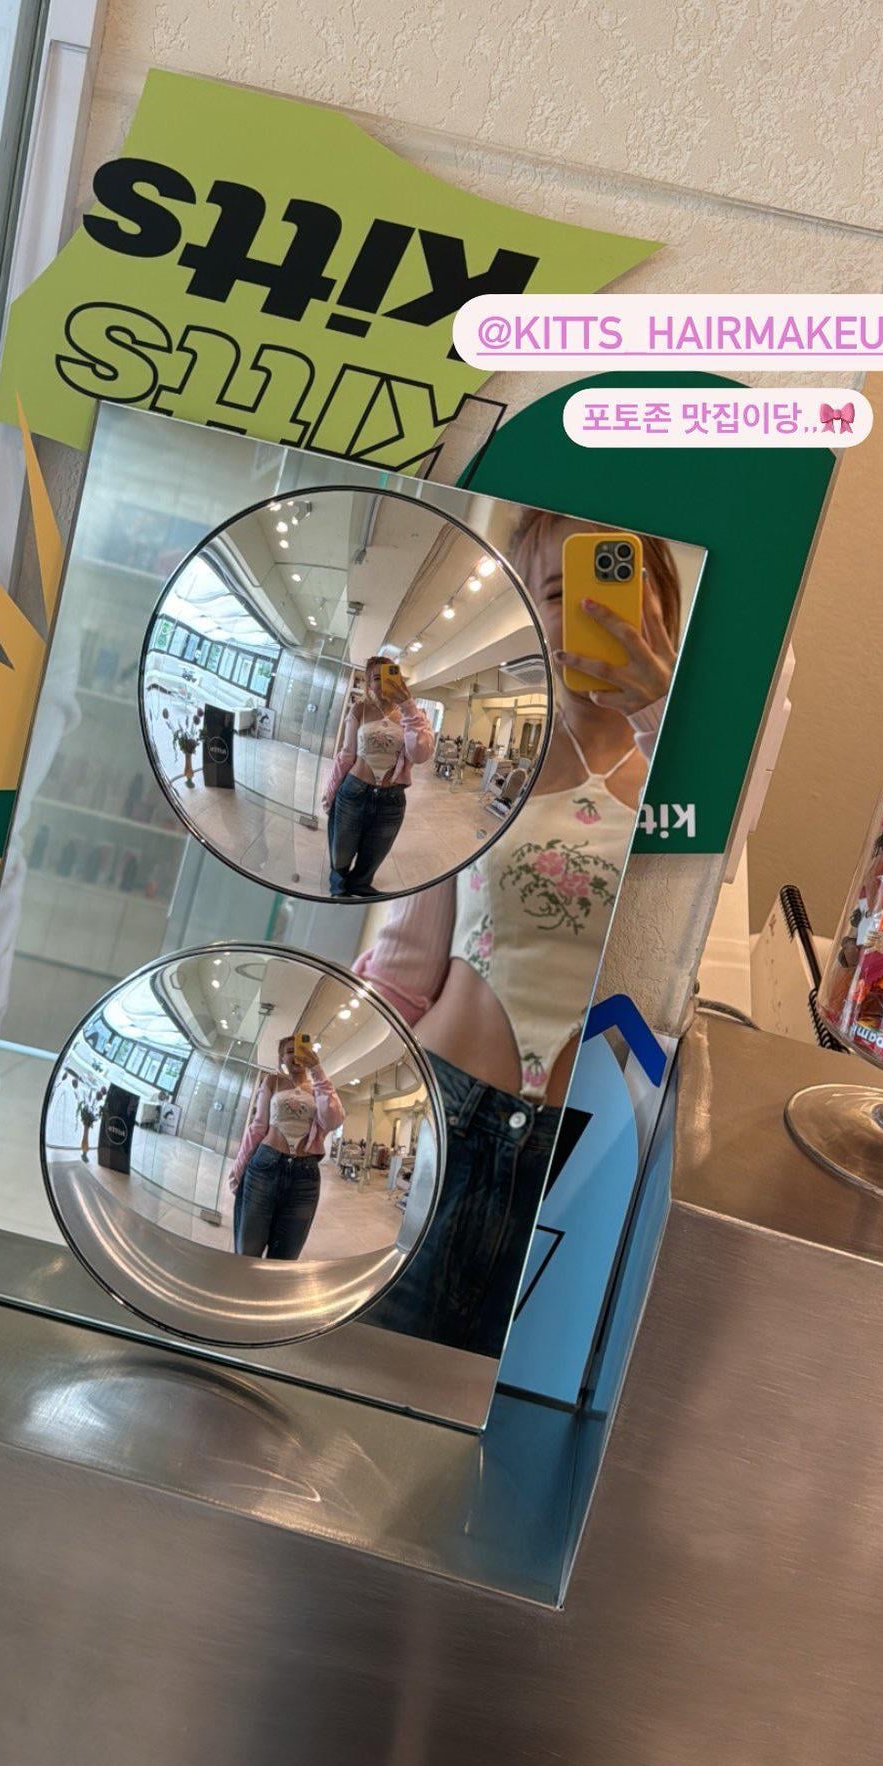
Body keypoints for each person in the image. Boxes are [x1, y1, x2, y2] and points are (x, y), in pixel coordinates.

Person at [353, 513, 679, 1354]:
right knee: (365, 1377)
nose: (590, 614)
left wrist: (663, 718)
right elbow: (404, 966)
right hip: (442, 1113)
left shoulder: (691, 781)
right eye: (558, 594)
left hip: (586, 1159)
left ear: (662, 610)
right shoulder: (480, 761)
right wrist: (341, 1095)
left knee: (524, 1408)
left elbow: (681, 948)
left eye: (613, 588)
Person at [322, 656, 434, 897]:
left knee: (373, 856)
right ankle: (338, 889)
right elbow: (346, 755)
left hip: (391, 800)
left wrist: (408, 706)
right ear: (368, 683)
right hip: (353, 791)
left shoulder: (415, 715)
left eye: (389, 676)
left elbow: (420, 755)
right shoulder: (360, 709)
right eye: (376, 677)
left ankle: (359, 885)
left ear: (399, 680)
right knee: (341, 852)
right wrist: (331, 791)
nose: (383, 683)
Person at [227, 1035, 345, 1259]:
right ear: (281, 1058)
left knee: (285, 1257)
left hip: (305, 1176)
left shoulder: (318, 1087)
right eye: (290, 1051)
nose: (296, 1055)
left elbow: (333, 1120)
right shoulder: (273, 1081)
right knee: (247, 1251)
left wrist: (317, 1069)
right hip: (265, 1165)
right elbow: (258, 1127)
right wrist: (240, 1165)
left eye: (301, 1049)